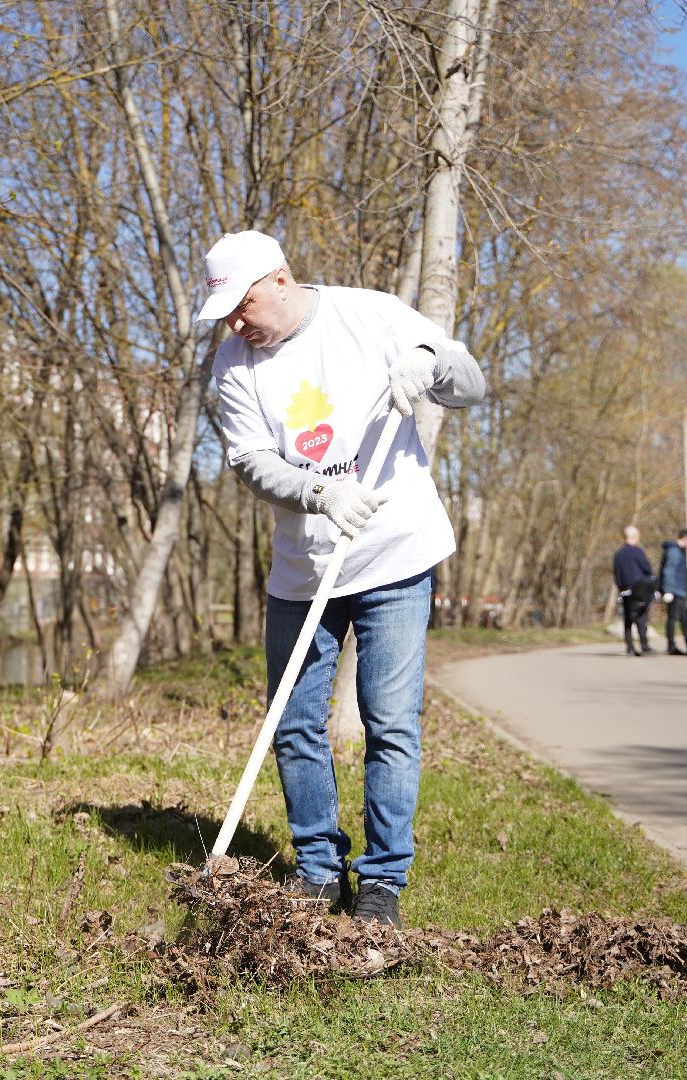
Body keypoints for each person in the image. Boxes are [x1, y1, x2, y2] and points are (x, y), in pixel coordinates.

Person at [207, 230, 486, 928]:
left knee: (390, 724)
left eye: (242, 307)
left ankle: (383, 883)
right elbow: (248, 461)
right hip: (304, 572)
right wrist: (319, 493)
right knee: (294, 723)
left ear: (278, 279)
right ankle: (318, 872)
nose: (237, 325)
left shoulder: (370, 314)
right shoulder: (233, 365)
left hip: (393, 554)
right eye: (227, 317)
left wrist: (431, 363)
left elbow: (470, 384)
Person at [657, 528, 687, 655]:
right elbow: (669, 571)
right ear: (685, 539)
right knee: (673, 618)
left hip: (680, 590)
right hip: (675, 590)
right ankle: (671, 646)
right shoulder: (674, 551)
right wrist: (668, 590)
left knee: (684, 619)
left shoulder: (679, 551)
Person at [612, 526, 655, 656]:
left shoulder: (618, 554)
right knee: (641, 618)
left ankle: (630, 647)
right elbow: (647, 568)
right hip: (639, 589)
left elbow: (616, 573)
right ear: (634, 536)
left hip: (625, 590)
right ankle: (644, 646)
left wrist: (620, 587)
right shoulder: (637, 552)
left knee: (628, 620)